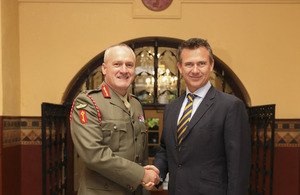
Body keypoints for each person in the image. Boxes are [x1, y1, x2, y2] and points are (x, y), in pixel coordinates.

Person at [147, 38, 251, 195]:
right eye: (189, 64)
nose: (195, 70)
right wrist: (156, 172)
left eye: (201, 63)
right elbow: (166, 149)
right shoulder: (172, 108)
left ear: (211, 65)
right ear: (180, 68)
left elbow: (238, 168)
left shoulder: (231, 106)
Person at [70, 43, 159, 195]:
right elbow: (93, 154)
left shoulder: (136, 104)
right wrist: (141, 175)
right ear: (104, 68)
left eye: (129, 65)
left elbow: (141, 156)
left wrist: (146, 183)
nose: (124, 70)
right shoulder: (88, 102)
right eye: (117, 64)